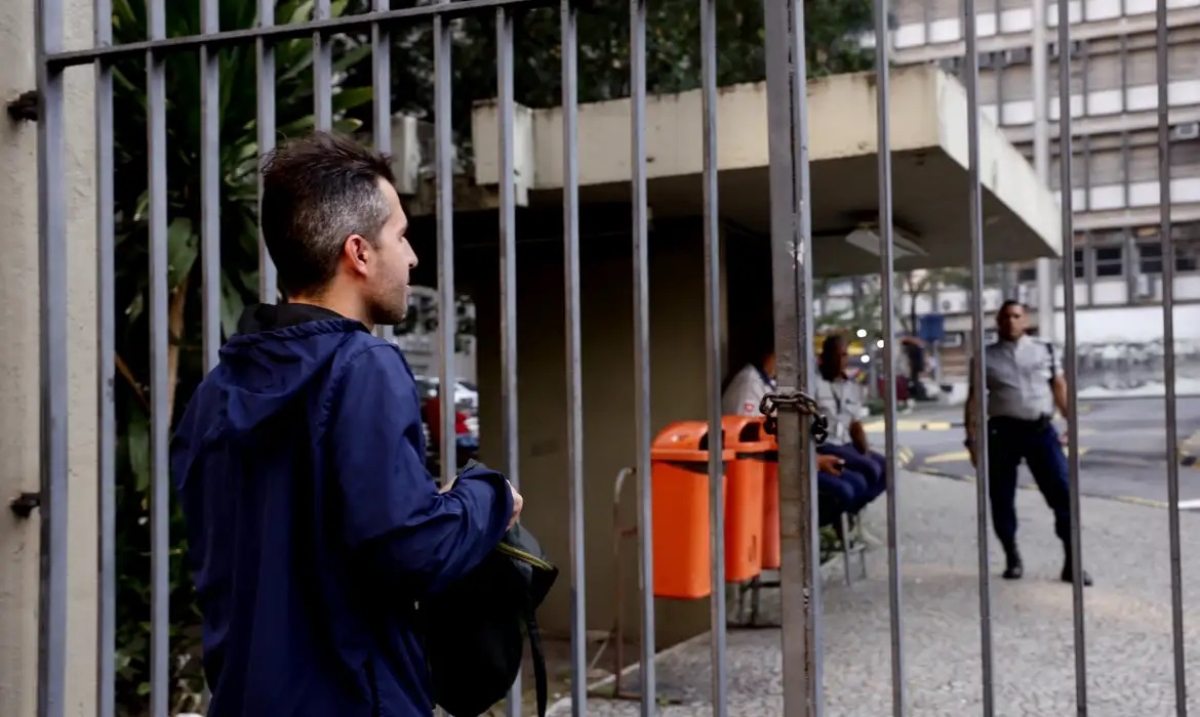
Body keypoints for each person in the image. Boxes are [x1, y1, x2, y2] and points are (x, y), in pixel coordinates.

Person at [169, 131, 522, 717]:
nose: (411, 257)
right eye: (401, 236)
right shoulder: (363, 365)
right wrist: (489, 496)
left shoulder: (215, 392)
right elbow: (413, 549)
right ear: (359, 253)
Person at [964, 300, 1092, 586]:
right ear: (998, 322)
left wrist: (1071, 421)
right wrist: (971, 440)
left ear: (1025, 319)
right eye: (1005, 317)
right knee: (1001, 497)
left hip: (1040, 431)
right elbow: (974, 400)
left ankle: (1072, 562)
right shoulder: (984, 357)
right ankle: (1012, 557)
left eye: (1016, 316)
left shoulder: (1045, 349)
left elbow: (1058, 386)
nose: (1011, 321)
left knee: (1063, 494)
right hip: (1002, 433)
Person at [722, 338, 870, 525]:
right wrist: (812, 461)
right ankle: (803, 532)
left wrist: (813, 458)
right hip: (764, 470)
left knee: (857, 482)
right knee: (844, 490)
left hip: (786, 462)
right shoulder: (749, 385)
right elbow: (756, 440)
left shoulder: (770, 383)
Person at [813, 334, 888, 509]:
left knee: (886, 468)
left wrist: (865, 451)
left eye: (845, 355)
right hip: (825, 445)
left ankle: (855, 508)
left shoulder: (851, 387)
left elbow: (855, 424)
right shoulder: (814, 384)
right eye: (837, 355)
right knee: (870, 469)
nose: (841, 360)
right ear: (824, 358)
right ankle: (847, 509)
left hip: (846, 445)